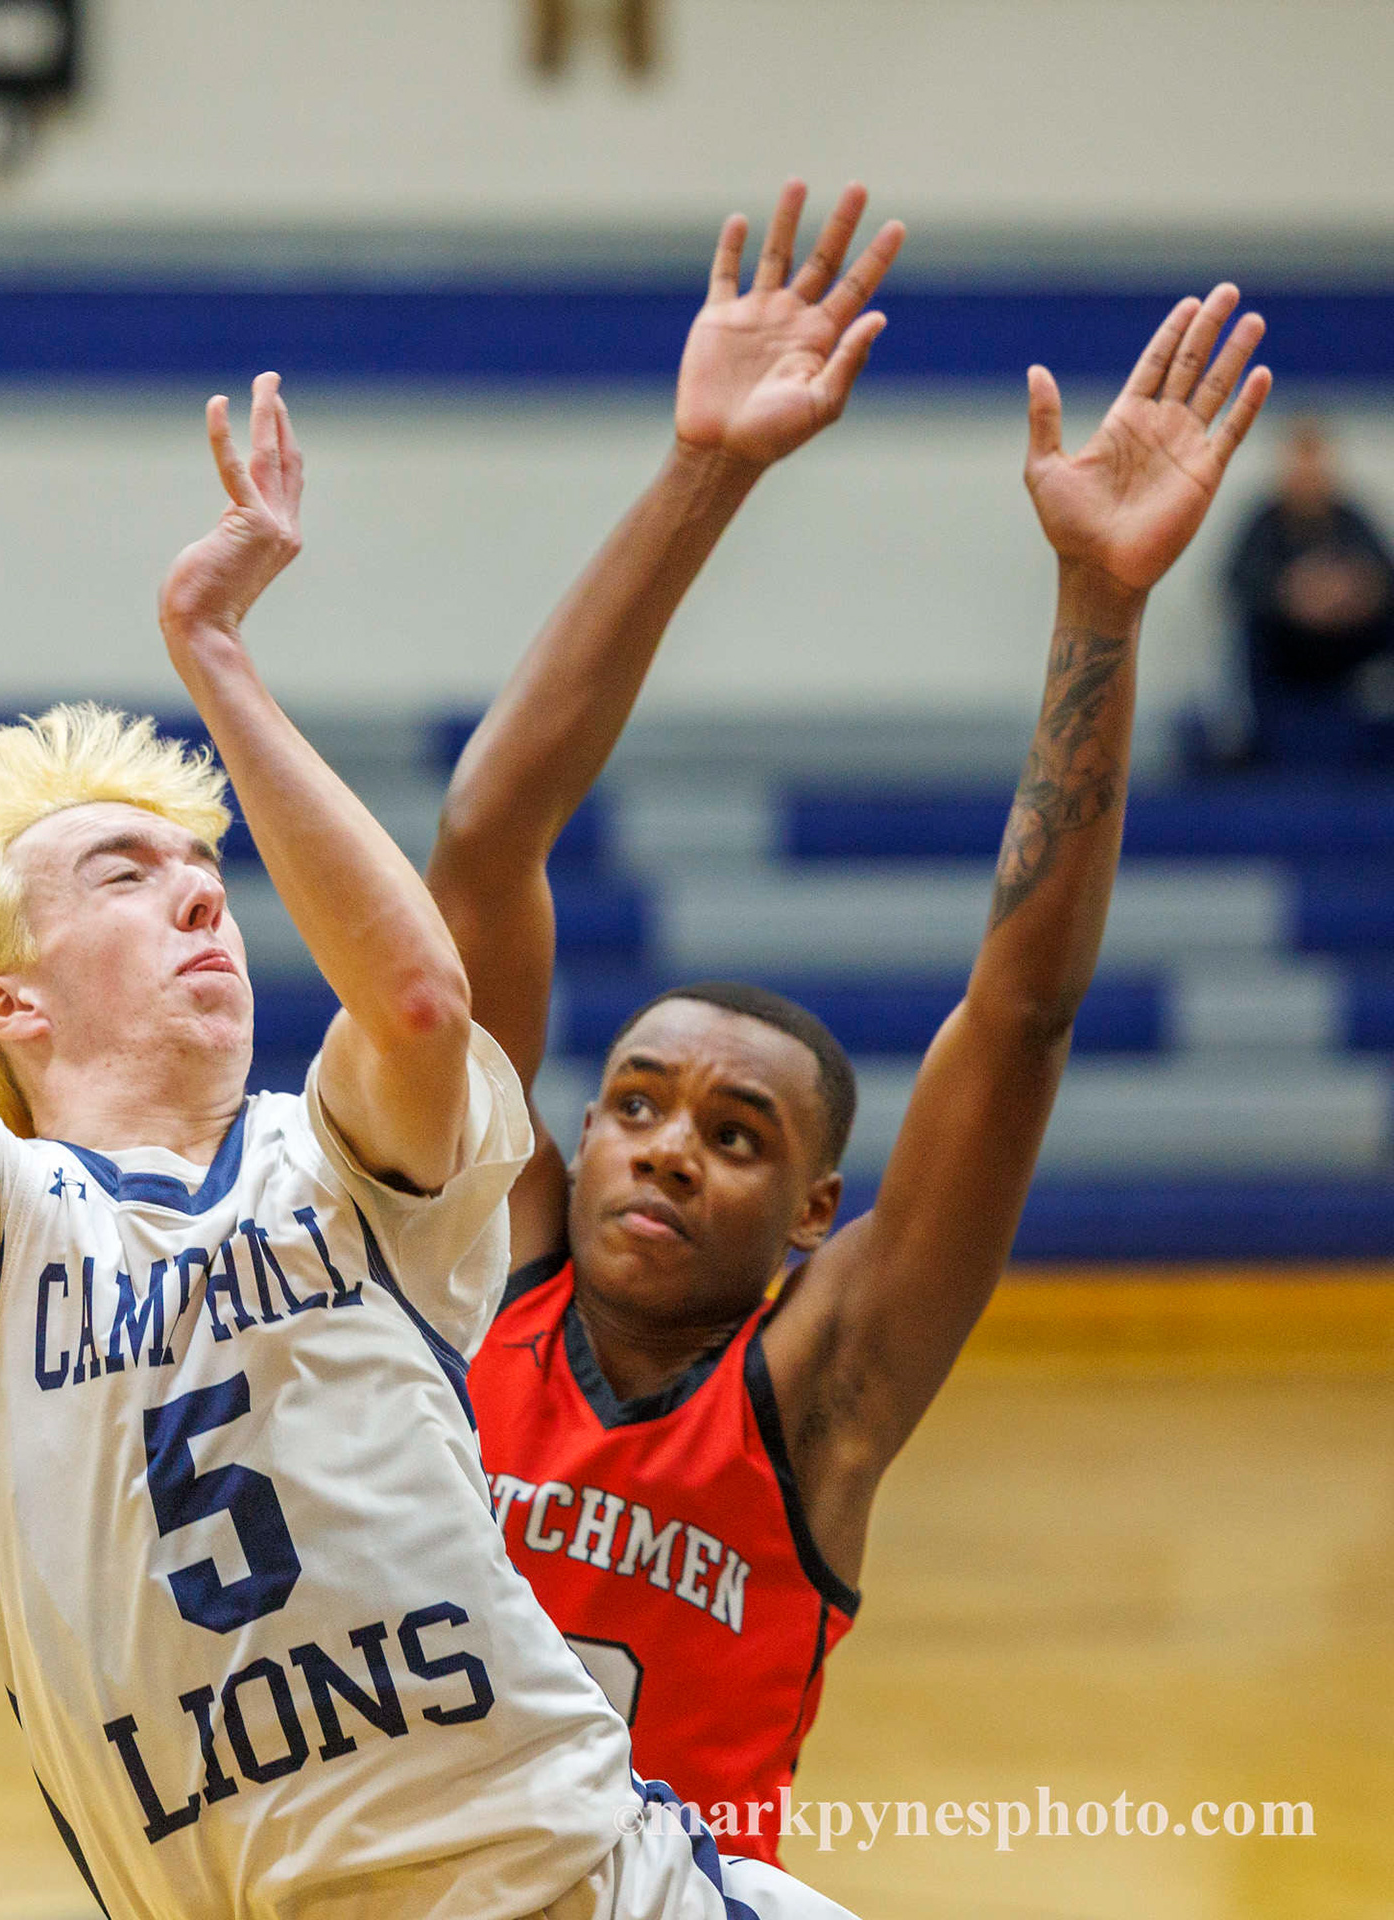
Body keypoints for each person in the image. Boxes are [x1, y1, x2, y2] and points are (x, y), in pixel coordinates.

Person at [0, 329, 862, 1919]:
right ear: (16, 1001)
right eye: (124, 874)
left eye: (203, 872)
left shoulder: (340, 1165)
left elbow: (420, 997)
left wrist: (215, 651)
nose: (198, 895)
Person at [429, 180, 1271, 1858]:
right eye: (638, 1105)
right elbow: (485, 843)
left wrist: (1099, 607)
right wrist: (708, 467)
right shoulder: (485, 1275)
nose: (668, 1150)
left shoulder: (819, 1389)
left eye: (735, 1136)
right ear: (572, 1136)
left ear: (816, 1213)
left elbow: (1020, 1019)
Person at [1223, 415, 1394, 765]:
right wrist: (1291, 595)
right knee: (1251, 634)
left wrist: (1350, 595)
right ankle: (1260, 740)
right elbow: (1237, 581)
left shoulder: (1350, 518)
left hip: (1348, 643)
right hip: (1287, 648)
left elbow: (1383, 577)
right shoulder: (1264, 521)